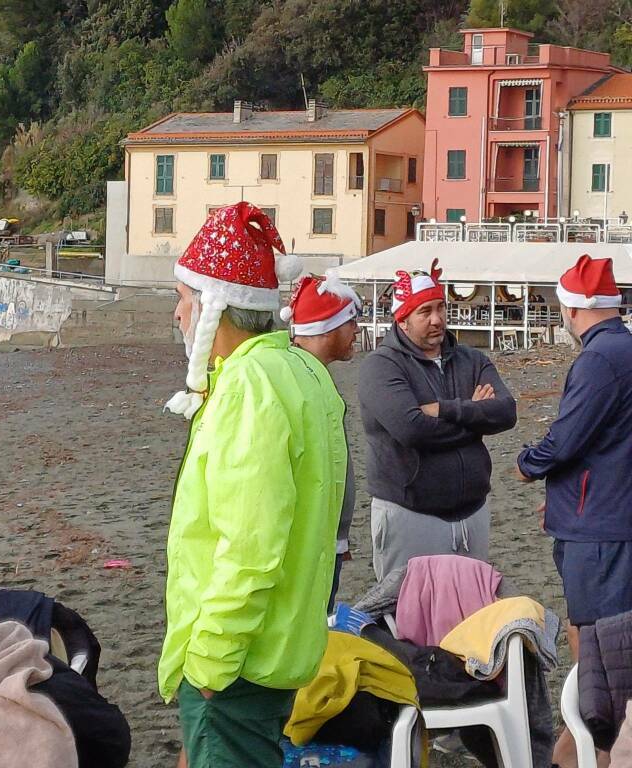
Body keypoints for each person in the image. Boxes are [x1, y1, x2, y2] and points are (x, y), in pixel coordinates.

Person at [160, 203, 347, 768]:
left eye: (185, 299)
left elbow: (249, 544)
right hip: (280, 647)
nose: (178, 314)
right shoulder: (303, 372)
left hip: (237, 660)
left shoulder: (246, 387)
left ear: (216, 307)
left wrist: (211, 662)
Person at [517, 255, 632, 767]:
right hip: (608, 508)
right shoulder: (622, 349)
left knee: (598, 638)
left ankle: (596, 745)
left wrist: (528, 464)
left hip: (600, 525)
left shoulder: (600, 359)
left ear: (572, 308)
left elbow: (568, 437)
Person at [358, 260, 516, 582]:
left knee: (469, 618)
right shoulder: (381, 366)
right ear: (402, 320)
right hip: (409, 514)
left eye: (441, 307)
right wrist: (474, 417)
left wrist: (446, 410)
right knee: (408, 620)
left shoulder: (471, 359)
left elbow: (506, 412)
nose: (437, 319)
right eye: (425, 311)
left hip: (472, 512)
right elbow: (412, 429)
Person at [281, 271, 361, 610]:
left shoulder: (311, 377)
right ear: (327, 327)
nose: (357, 331)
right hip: (309, 548)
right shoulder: (301, 382)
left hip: (325, 542)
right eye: (351, 321)